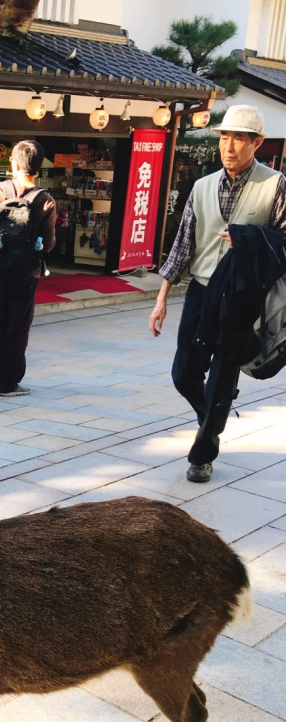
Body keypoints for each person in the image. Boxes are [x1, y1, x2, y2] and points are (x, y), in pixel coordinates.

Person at [149, 104, 286, 483]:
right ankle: (211, 410)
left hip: (243, 297)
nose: (229, 146)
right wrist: (161, 298)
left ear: (257, 143)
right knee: (183, 372)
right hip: (202, 289)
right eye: (225, 137)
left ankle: (203, 452)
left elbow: (285, 244)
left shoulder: (275, 185)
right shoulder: (202, 185)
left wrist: (247, 239)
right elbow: (182, 245)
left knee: (223, 376)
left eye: (239, 139)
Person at [0, 139, 56, 397]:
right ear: (38, 168)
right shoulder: (45, 200)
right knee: (18, 327)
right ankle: (8, 384)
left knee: (1, 323)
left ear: (13, 164)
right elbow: (48, 244)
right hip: (26, 272)